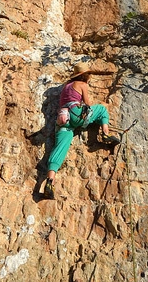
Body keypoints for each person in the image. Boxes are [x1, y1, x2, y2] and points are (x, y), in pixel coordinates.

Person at [43, 62, 120, 199]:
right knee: (101, 110)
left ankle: (50, 180)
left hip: (63, 119)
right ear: (85, 75)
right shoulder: (82, 85)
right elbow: (88, 104)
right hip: (76, 115)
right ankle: (106, 134)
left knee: (59, 149)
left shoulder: (66, 87)